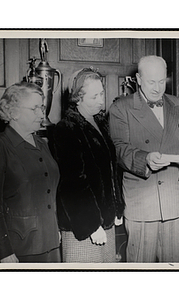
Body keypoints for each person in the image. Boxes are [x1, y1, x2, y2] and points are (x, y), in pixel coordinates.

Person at [109, 55, 179, 262]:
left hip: (173, 199)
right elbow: (119, 149)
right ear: (138, 79)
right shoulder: (121, 107)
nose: (157, 88)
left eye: (162, 81)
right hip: (142, 201)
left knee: (172, 267)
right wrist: (145, 159)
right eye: (151, 82)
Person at [53, 67, 125, 263]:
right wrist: (91, 224)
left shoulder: (100, 123)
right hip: (83, 228)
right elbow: (73, 183)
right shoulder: (66, 129)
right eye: (95, 97)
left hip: (105, 223)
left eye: (102, 93)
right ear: (78, 98)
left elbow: (110, 170)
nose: (102, 100)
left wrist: (117, 208)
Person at [0, 82, 61, 263]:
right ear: (13, 112)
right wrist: (3, 251)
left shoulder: (42, 144)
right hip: (20, 248)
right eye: (34, 109)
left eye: (42, 107)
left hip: (51, 241)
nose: (42, 114)